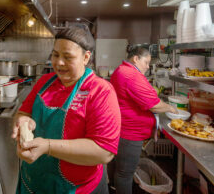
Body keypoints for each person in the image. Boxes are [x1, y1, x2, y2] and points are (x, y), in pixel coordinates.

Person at [11, 26, 121, 194]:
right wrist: (23, 121)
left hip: (76, 188)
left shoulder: (100, 91)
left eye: (67, 57)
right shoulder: (45, 82)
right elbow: (24, 112)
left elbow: (104, 152)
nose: (59, 63)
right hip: (34, 183)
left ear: (86, 57)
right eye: (55, 55)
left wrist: (47, 146)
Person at [109, 45, 178, 194]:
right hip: (129, 134)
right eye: (146, 62)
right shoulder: (130, 74)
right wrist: (172, 108)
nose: (148, 67)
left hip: (123, 129)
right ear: (135, 59)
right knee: (125, 174)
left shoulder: (123, 70)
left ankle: (114, 188)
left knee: (120, 170)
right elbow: (154, 106)